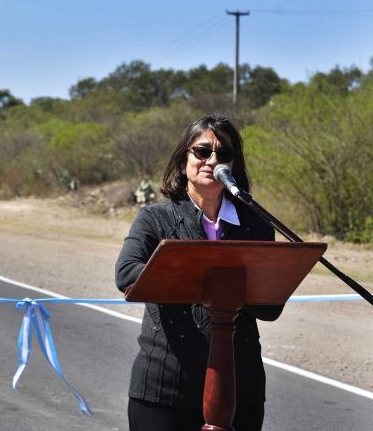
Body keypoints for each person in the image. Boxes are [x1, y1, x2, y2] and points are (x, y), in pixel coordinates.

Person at [115, 113, 283, 431]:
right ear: (183, 161)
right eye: (202, 151)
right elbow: (127, 273)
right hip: (166, 387)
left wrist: (216, 286)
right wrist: (207, 280)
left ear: (234, 166)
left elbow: (270, 304)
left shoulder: (255, 223)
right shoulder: (154, 218)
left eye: (224, 154)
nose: (212, 160)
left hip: (239, 389)